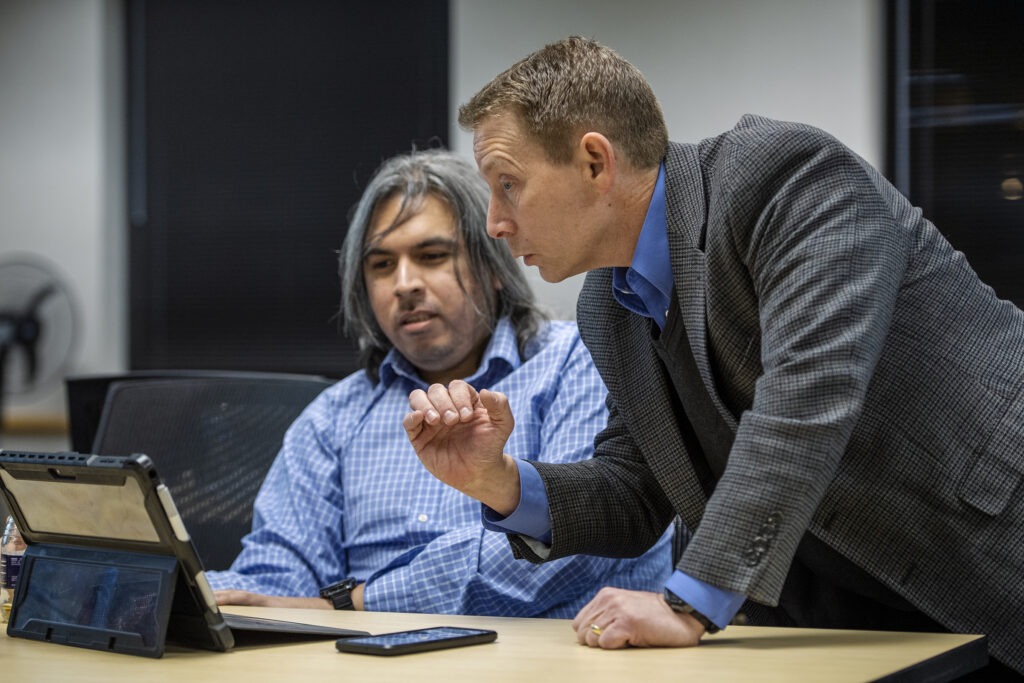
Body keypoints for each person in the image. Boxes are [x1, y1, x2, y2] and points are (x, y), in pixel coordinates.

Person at [403, 37, 1024, 675]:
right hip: (852, 623)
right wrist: (498, 481)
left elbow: (805, 401)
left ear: (595, 161)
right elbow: (637, 490)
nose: (495, 223)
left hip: (989, 546)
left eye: (509, 185)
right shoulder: (609, 305)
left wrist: (690, 603)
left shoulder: (786, 177)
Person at [206, 148, 672, 618]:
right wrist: (186, 588)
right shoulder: (333, 418)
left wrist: (352, 603)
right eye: (382, 265)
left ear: (493, 267)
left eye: (431, 256)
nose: (404, 284)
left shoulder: (581, 360)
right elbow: (277, 578)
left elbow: (579, 544)